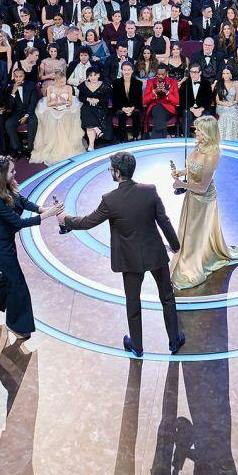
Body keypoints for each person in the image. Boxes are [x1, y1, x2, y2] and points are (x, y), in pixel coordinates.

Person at [58, 150, 183, 357]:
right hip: (155, 253)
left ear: (117, 173)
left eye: (110, 169)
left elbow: (88, 222)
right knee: (167, 298)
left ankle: (137, 346)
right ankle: (174, 341)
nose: (109, 171)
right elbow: (164, 221)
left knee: (133, 302)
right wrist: (175, 245)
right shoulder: (149, 190)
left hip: (130, 259)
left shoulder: (110, 200)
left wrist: (66, 219)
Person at [0, 155, 63, 351]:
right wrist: (45, 216)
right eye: (12, 171)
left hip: (7, 244)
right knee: (18, 284)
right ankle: (17, 325)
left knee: (8, 279)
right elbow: (18, 223)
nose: (15, 173)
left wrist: (41, 208)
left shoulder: (5, 188)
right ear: (0, 175)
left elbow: (21, 201)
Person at [169, 115, 238, 290]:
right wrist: (181, 172)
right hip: (192, 196)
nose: (196, 132)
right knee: (190, 233)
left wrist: (181, 184)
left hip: (203, 200)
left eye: (199, 130)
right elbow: (194, 167)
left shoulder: (212, 155)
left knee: (195, 234)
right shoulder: (199, 145)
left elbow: (202, 186)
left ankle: (193, 265)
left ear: (207, 133)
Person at [30, 68, 83, 164]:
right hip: (53, 108)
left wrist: (63, 101)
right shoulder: (50, 88)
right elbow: (48, 103)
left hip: (66, 108)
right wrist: (56, 102)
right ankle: (52, 145)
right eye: (61, 82)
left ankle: (65, 146)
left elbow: (70, 102)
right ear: (55, 81)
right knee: (51, 117)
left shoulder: (68, 88)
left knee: (66, 115)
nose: (63, 83)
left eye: (64, 81)